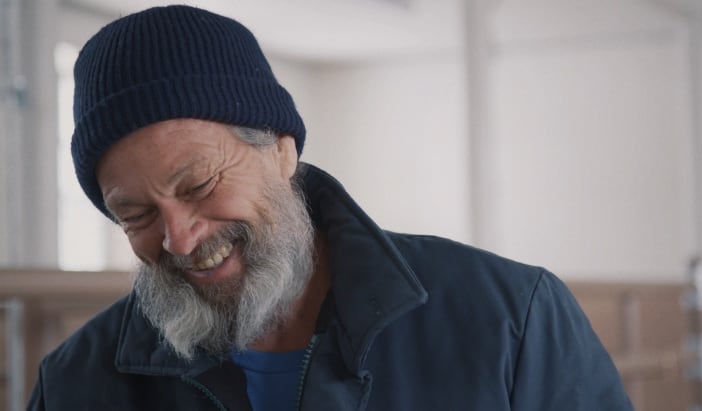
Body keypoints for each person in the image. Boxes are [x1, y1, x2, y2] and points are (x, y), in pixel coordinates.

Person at [28, 5, 633, 411]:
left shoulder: (511, 323)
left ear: (283, 150)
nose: (180, 238)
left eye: (198, 185)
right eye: (136, 214)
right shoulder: (77, 384)